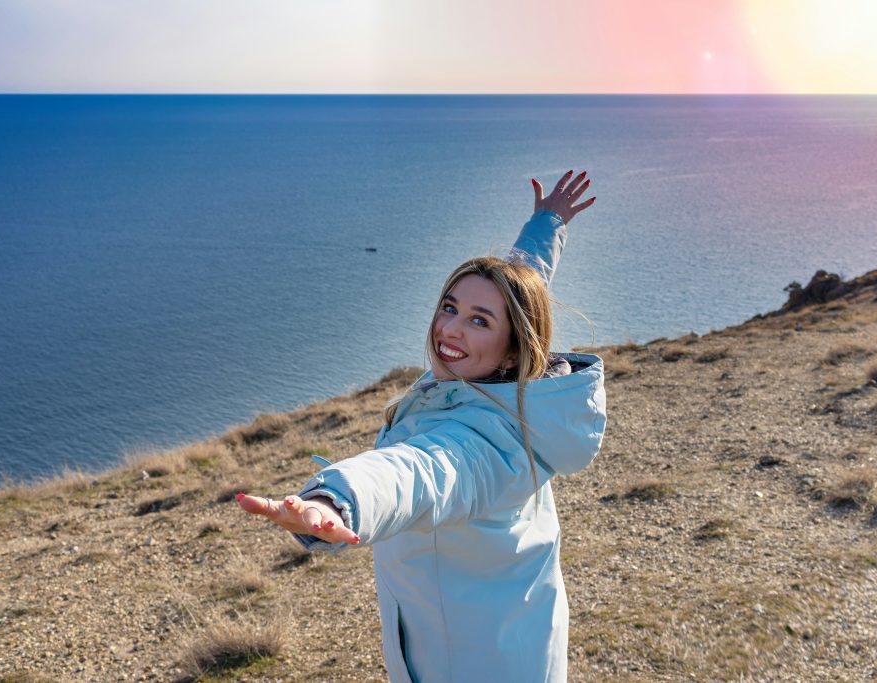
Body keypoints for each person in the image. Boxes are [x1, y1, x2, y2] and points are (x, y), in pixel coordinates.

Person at [237, 170, 605, 683]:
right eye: (449, 307)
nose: (449, 328)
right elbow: (525, 282)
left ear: (514, 347)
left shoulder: (480, 443)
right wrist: (547, 224)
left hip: (471, 664)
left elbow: (418, 473)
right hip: (517, 628)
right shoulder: (517, 394)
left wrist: (337, 499)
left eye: (479, 321)